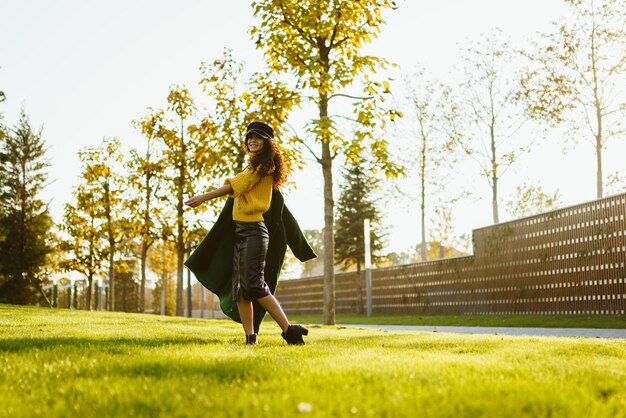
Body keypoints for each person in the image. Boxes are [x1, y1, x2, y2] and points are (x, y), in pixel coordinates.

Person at [184, 121, 315, 345]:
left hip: (254, 232)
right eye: (250, 137)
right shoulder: (252, 166)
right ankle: (250, 338)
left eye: (258, 137)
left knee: (254, 285)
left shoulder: (264, 167)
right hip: (241, 232)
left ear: (267, 143)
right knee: (240, 291)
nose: (252, 140)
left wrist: (203, 197)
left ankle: (289, 330)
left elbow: (236, 186)